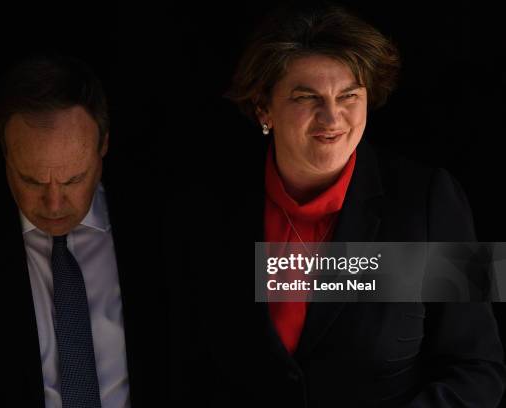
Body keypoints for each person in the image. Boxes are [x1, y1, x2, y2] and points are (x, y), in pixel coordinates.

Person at [185, 3, 506, 407]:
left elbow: (478, 367)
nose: (332, 117)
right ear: (264, 107)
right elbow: (188, 363)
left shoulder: (429, 200)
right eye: (307, 97)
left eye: (349, 95)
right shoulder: (209, 206)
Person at [0, 55, 161, 407]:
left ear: (104, 147)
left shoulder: (163, 227)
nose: (53, 205)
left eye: (73, 179)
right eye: (31, 180)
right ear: (5, 155)